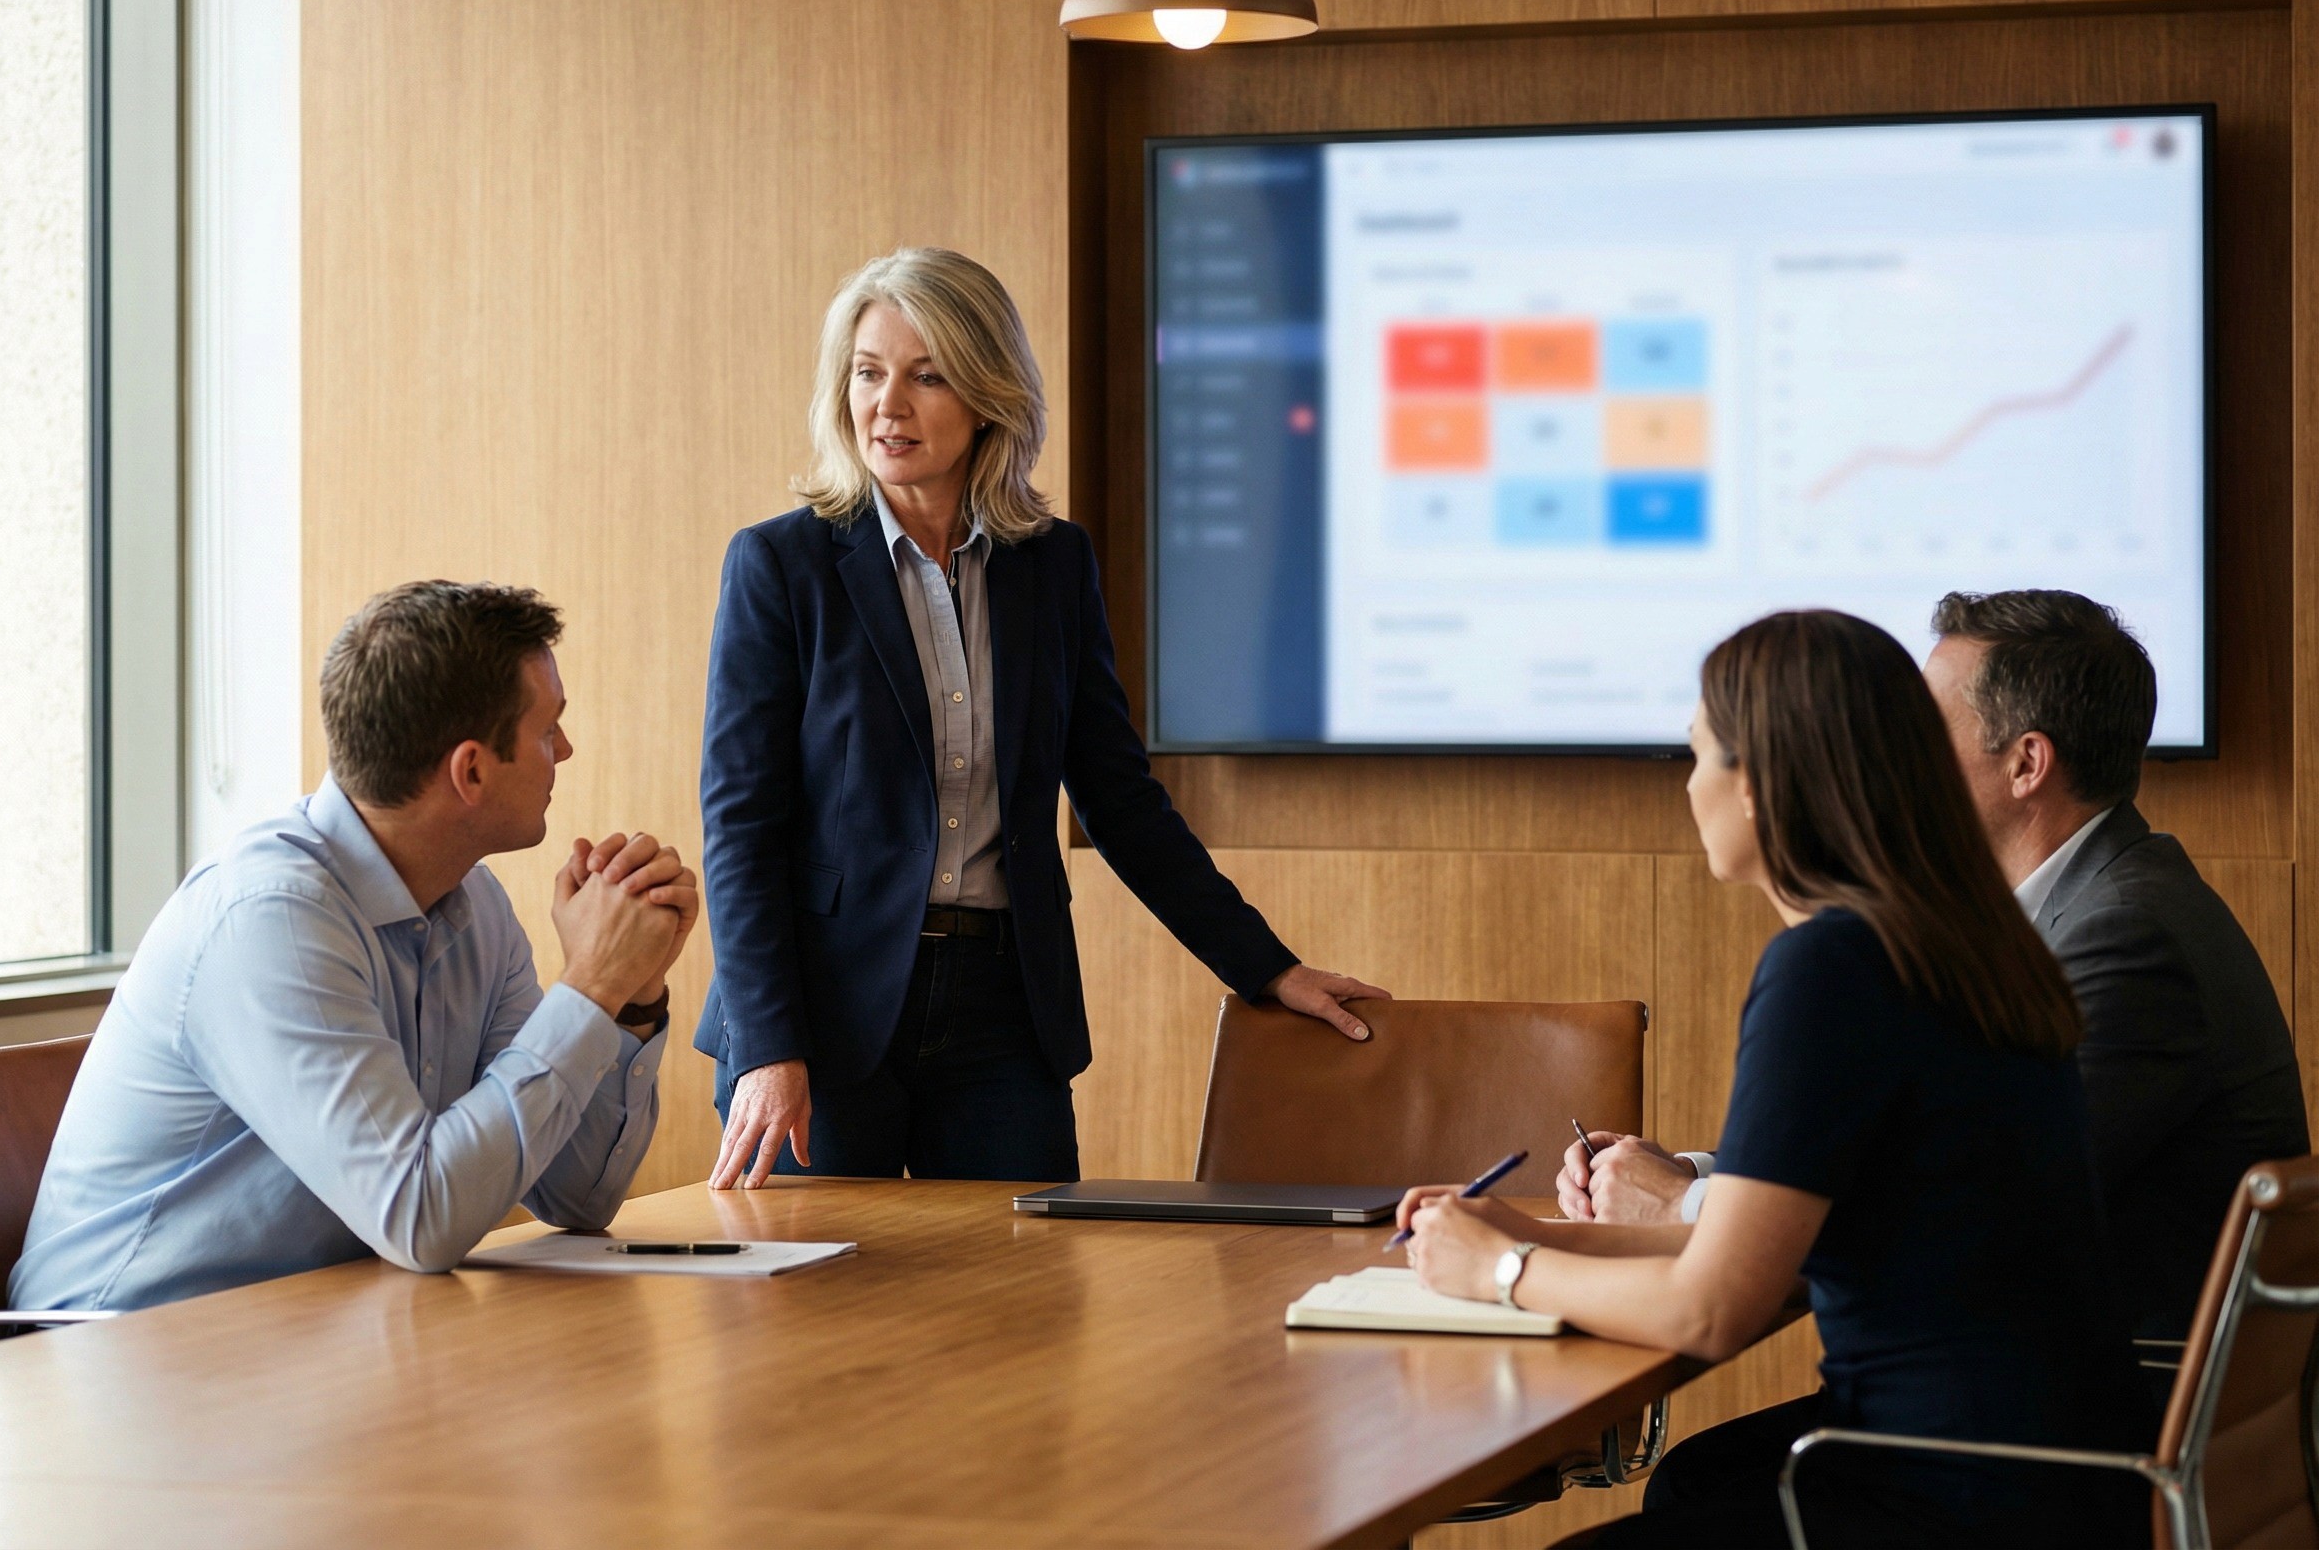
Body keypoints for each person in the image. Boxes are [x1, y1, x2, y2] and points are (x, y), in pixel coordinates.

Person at [1402, 610, 2146, 1549]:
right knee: (1692, 1486)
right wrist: (1529, 1235)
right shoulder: (1959, 941)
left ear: (1761, 786)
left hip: (1937, 1500)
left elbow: (1713, 1310)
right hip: (2039, 1480)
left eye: (1699, 756)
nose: (1688, 787)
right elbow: (1766, 1251)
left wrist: (1504, 1271)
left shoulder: (1834, 967)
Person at [698, 247, 1386, 1188]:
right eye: (867, 372)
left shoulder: (1051, 566)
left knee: (1024, 1306)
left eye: (925, 375)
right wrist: (769, 1047)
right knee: (815, 1312)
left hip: (1003, 1012)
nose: (886, 406)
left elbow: (1119, 799)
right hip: (823, 1012)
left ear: (988, 394)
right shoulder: (781, 566)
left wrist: (1266, 968)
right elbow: (740, 828)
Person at [1561, 589, 2307, 1344]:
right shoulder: (2041, 917)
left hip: (2097, 1417)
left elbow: (1951, 1218)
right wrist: (1701, 1181)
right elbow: (1917, 1161)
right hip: (2053, 1384)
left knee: (1700, 1470)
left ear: (2026, 765)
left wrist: (1679, 1210)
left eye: (1918, 733)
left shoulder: (2123, 935)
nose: (1890, 759)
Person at [12, 582, 696, 1311]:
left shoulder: (478, 908)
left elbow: (576, 1195)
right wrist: (589, 984)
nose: (564, 749)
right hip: (114, 1355)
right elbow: (420, 1218)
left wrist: (628, 995)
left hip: (308, 1332)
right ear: (470, 770)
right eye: (546, 730)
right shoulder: (272, 919)